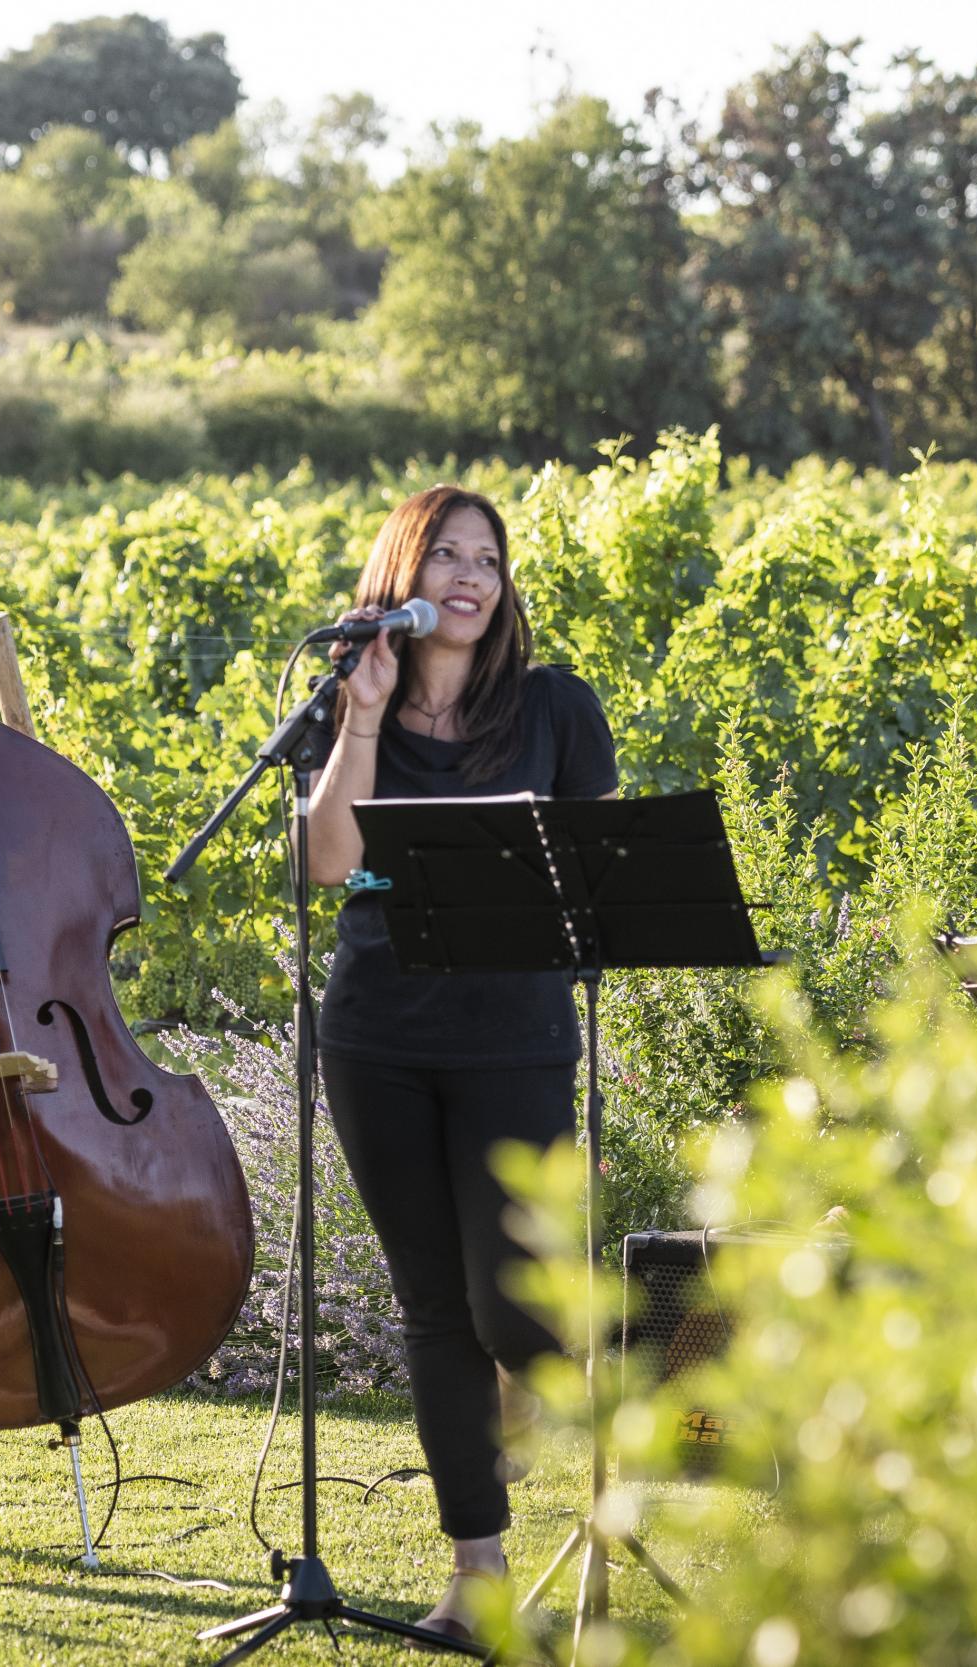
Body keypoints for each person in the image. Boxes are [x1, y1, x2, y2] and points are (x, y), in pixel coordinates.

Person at [304, 484, 619, 1641]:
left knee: (511, 1306)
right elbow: (329, 861)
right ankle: (475, 1574)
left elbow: (599, 874)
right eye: (447, 554)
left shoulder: (552, 708)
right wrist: (364, 716)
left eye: (489, 558)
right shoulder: (353, 693)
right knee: (435, 1307)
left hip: (512, 1039)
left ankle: (535, 1409)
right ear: (402, 570)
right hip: (377, 1036)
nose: (471, 577)